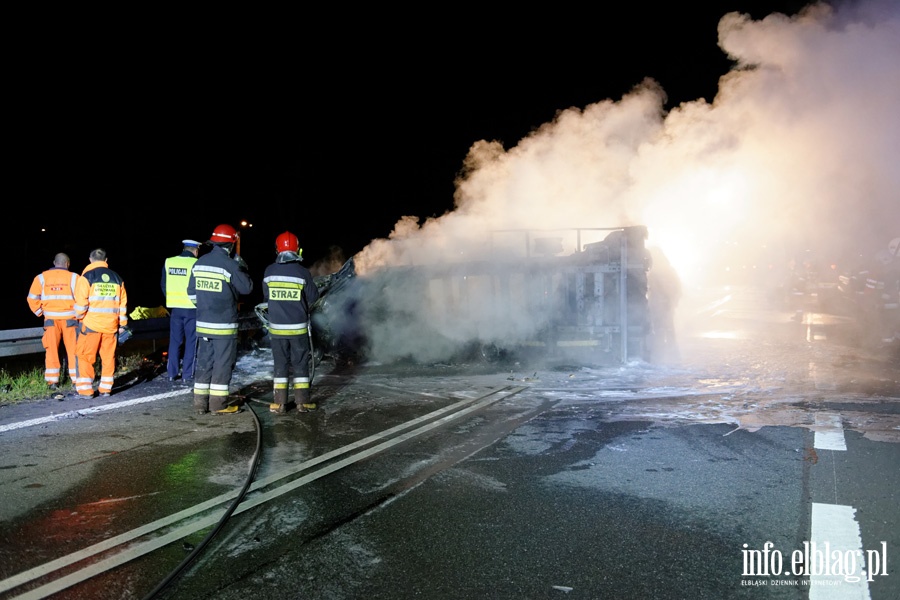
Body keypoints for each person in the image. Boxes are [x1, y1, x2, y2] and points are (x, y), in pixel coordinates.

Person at [187, 224, 253, 415]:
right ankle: (218, 405)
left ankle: (200, 404)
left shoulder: (199, 263)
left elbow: (191, 293)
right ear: (230, 245)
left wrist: (204, 307)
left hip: (203, 324)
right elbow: (247, 288)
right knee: (223, 363)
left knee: (204, 362)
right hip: (224, 325)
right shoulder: (230, 265)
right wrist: (242, 267)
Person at [262, 231, 320, 414]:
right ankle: (302, 403)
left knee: (280, 363)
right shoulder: (302, 272)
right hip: (298, 329)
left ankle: (279, 403)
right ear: (297, 249)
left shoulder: (269, 271)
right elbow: (313, 297)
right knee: (300, 363)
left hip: (277, 329)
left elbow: (266, 296)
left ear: (277, 249)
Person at [73, 248, 128, 398]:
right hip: (110, 326)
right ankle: (106, 389)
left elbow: (80, 305)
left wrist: (79, 317)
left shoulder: (86, 277)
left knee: (85, 356)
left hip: (91, 325)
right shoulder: (117, 278)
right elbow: (122, 305)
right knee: (108, 357)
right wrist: (122, 324)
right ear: (106, 260)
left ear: (90, 260)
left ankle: (86, 390)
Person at [26, 253, 79, 391]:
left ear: (54, 262)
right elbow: (83, 298)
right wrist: (79, 314)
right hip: (70, 320)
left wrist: (40, 312)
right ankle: (77, 380)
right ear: (67, 263)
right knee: (74, 350)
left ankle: (52, 381)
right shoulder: (74, 278)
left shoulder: (41, 278)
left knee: (51, 350)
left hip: (50, 320)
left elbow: (32, 298)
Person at [161, 239, 201, 384]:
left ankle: (171, 374)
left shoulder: (169, 261)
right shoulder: (196, 263)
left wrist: (172, 299)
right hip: (192, 308)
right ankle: (187, 375)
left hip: (175, 308)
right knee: (191, 342)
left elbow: (163, 284)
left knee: (175, 341)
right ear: (196, 251)